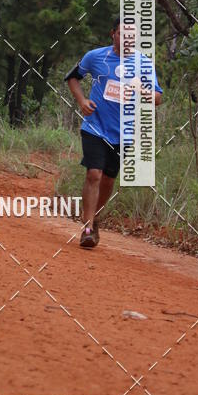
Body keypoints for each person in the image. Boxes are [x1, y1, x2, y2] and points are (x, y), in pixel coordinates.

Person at [65, 17, 162, 248]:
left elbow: (157, 98)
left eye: (131, 35)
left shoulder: (143, 63)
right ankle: (87, 229)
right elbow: (72, 78)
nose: (127, 39)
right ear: (113, 34)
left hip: (124, 132)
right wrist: (82, 101)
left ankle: (94, 217)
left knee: (108, 179)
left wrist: (141, 89)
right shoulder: (95, 56)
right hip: (94, 126)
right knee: (94, 174)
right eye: (122, 34)